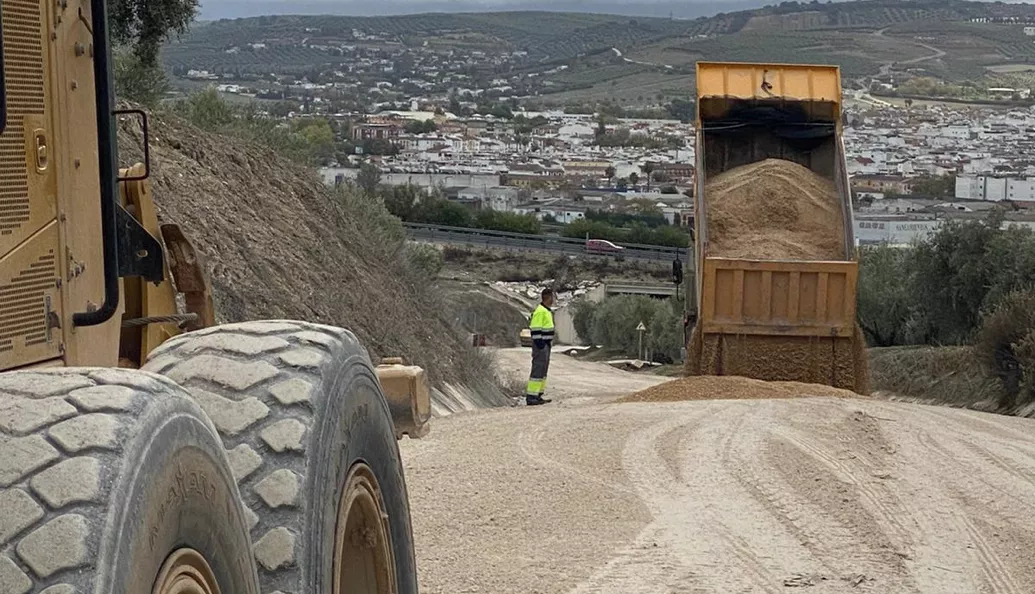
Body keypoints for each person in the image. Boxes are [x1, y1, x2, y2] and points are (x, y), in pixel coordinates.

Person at [525, 288, 555, 406]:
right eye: (552, 297)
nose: (553, 300)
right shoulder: (540, 311)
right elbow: (535, 329)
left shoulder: (546, 311)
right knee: (538, 369)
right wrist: (541, 345)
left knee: (543, 369)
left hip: (545, 344)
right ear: (549, 298)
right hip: (540, 345)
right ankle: (532, 397)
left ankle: (538, 395)